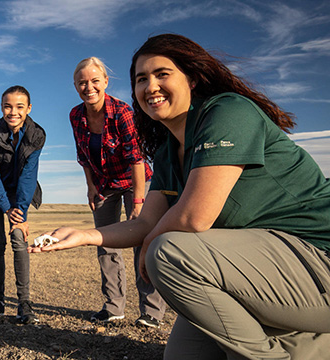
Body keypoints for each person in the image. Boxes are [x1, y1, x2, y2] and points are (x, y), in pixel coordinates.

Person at [30, 34, 330, 359]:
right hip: (264, 272)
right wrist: (86, 235)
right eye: (141, 79)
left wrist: (149, 247)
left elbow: (193, 216)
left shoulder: (227, 112)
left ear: (192, 77)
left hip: (316, 263)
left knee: (168, 251)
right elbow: (146, 221)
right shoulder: (167, 152)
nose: (151, 86)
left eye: (162, 74)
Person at [70, 57, 166, 327]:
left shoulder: (122, 112)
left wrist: (138, 201)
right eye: (82, 83)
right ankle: (113, 307)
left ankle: (151, 312)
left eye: (94, 81)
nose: (89, 87)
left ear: (105, 82)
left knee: (139, 241)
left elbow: (137, 159)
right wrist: (90, 186)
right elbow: (82, 155)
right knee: (105, 243)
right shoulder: (76, 115)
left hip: (135, 181)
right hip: (103, 185)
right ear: (76, 87)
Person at [0, 85, 46, 325]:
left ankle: (24, 303)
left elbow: (29, 175)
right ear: (1, 107)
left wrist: (21, 212)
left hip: (19, 191)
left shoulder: (36, 134)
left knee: (19, 239)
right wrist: (7, 207)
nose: (13, 112)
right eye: (7, 106)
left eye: (19, 106)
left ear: (28, 108)